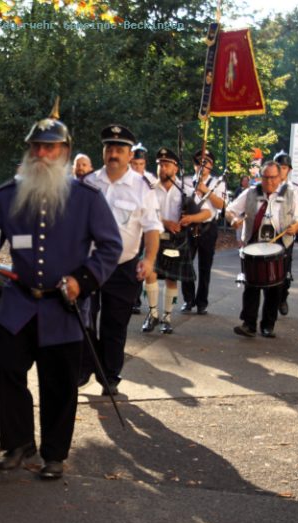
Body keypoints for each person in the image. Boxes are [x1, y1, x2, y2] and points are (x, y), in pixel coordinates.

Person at [0, 112, 123, 479]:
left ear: (64, 151)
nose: (43, 153)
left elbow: (111, 246)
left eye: (51, 147)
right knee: (8, 373)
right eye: (37, 146)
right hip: (19, 304)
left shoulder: (87, 198)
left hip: (64, 307)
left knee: (58, 382)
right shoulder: (9, 195)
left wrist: (84, 280)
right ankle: (17, 443)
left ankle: (54, 454)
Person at [82, 124, 162, 395]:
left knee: (115, 325)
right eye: (109, 148)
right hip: (89, 265)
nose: (113, 153)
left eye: (120, 149)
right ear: (103, 152)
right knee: (84, 319)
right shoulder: (89, 183)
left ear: (130, 155)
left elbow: (152, 228)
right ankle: (86, 366)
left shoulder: (143, 188)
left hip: (123, 266)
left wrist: (149, 260)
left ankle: (109, 375)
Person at [226, 161, 298, 338]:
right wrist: (233, 220)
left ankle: (268, 325)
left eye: (273, 177)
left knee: (275, 287)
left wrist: (295, 228)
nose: (269, 181)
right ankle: (249, 324)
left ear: (279, 177)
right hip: (253, 243)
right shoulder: (250, 193)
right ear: (261, 177)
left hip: (279, 245)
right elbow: (230, 210)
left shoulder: (290, 194)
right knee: (251, 286)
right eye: (266, 177)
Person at [141, 147, 200, 334]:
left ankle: (166, 317)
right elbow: (142, 213)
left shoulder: (187, 191)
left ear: (176, 168)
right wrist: (165, 222)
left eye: (166, 164)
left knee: (171, 279)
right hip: (155, 237)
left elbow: (204, 213)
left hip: (176, 239)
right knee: (149, 272)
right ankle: (152, 313)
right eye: (159, 164)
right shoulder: (149, 189)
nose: (162, 168)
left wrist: (190, 218)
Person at [179, 149, 226, 315]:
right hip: (188, 227)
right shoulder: (184, 181)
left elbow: (221, 205)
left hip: (207, 227)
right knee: (186, 265)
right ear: (194, 165)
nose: (202, 166)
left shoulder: (217, 183)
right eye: (199, 162)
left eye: (206, 163)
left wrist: (206, 190)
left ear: (211, 166)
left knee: (205, 266)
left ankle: (202, 302)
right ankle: (188, 299)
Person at [129, 143, 157, 315]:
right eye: (135, 164)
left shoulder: (151, 180)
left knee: (140, 260)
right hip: (128, 226)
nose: (138, 168)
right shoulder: (124, 177)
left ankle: (135, 299)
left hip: (144, 226)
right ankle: (129, 296)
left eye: (141, 164)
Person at [274, 151, 297, 316]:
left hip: (286, 238)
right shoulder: (264, 187)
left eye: (284, 167)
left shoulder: (293, 191)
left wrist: (296, 227)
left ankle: (282, 298)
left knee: (284, 275)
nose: (281, 171)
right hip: (267, 237)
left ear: (288, 170)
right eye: (279, 167)